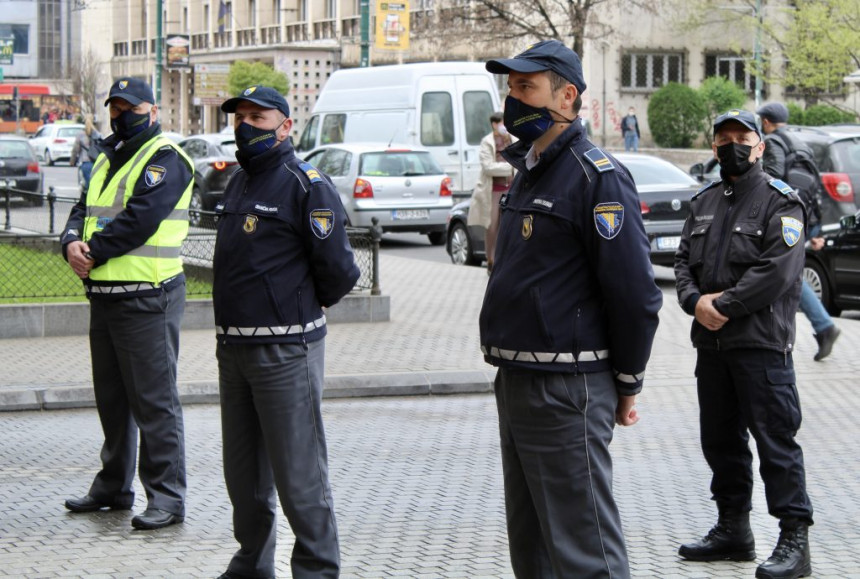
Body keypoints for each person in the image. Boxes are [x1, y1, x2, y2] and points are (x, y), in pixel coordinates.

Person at [480, 40, 663, 578]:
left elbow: (635, 294)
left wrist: (627, 380)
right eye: (511, 87)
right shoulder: (529, 169)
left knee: (585, 553)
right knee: (533, 549)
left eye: (526, 87)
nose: (514, 99)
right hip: (517, 378)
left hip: (567, 386)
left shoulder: (596, 176)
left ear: (566, 96)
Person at [213, 85, 359, 579]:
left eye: (259, 116)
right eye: (241, 117)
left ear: (286, 126)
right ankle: (252, 564)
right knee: (244, 475)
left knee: (300, 476)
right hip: (234, 348)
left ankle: (317, 569)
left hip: (285, 349)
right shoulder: (240, 181)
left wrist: (300, 305)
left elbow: (339, 270)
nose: (247, 125)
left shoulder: (305, 183)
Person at [675, 109, 813, 579]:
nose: (732, 144)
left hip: (760, 345)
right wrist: (695, 302)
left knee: (775, 440)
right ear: (713, 147)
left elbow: (777, 271)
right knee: (720, 441)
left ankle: (795, 538)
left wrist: (722, 306)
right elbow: (680, 263)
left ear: (759, 146)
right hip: (711, 347)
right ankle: (733, 529)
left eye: (742, 137)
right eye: (723, 137)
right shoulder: (704, 200)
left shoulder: (782, 202)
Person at [60, 78, 194, 530]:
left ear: (152, 111)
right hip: (106, 296)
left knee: (155, 403)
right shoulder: (105, 157)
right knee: (113, 401)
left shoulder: (165, 158)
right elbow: (82, 209)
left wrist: (92, 251)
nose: (121, 114)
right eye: (115, 107)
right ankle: (114, 485)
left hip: (148, 297)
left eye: (131, 107)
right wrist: (69, 243)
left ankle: (168, 497)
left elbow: (141, 219)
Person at [757, 101, 840, 361]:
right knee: (788, 270)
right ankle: (821, 327)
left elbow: (772, 179)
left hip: (784, 218)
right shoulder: (800, 142)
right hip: (805, 214)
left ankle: (823, 326)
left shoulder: (772, 142)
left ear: (767, 122)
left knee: (786, 272)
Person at [466, 111, 513, 273]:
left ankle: (503, 260)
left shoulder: (511, 139)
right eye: (501, 123)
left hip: (511, 189)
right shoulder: (487, 142)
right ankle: (490, 260)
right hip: (493, 190)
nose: (504, 126)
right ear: (494, 124)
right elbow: (488, 167)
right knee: (492, 225)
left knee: (507, 226)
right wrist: (510, 168)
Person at [70, 113, 102, 194]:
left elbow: (75, 150)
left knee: (87, 187)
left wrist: (72, 161)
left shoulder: (80, 135)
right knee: (96, 186)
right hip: (97, 163)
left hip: (86, 163)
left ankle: (88, 204)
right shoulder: (98, 134)